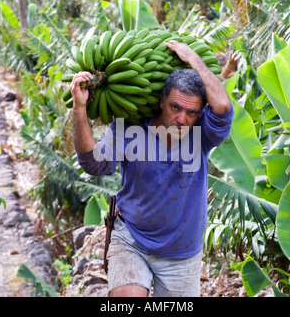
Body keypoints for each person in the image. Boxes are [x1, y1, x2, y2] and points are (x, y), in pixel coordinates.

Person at [70, 40, 233, 297]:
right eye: (175, 107)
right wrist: (79, 108)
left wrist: (193, 58)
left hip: (182, 253)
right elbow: (93, 163)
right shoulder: (129, 130)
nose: (182, 119)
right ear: (161, 101)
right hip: (131, 239)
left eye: (191, 112)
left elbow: (222, 107)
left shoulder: (203, 133)